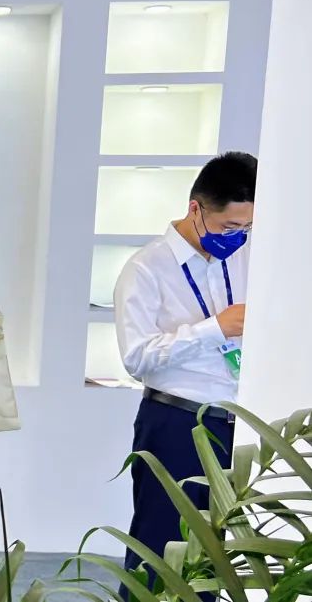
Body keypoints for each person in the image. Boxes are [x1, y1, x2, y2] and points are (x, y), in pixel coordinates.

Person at [114, 151, 257, 597]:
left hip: (236, 426)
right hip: (176, 424)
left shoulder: (245, 257)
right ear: (196, 208)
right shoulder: (146, 268)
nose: (237, 238)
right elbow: (136, 357)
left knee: (216, 558)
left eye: (247, 228)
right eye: (229, 227)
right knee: (161, 552)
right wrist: (214, 329)